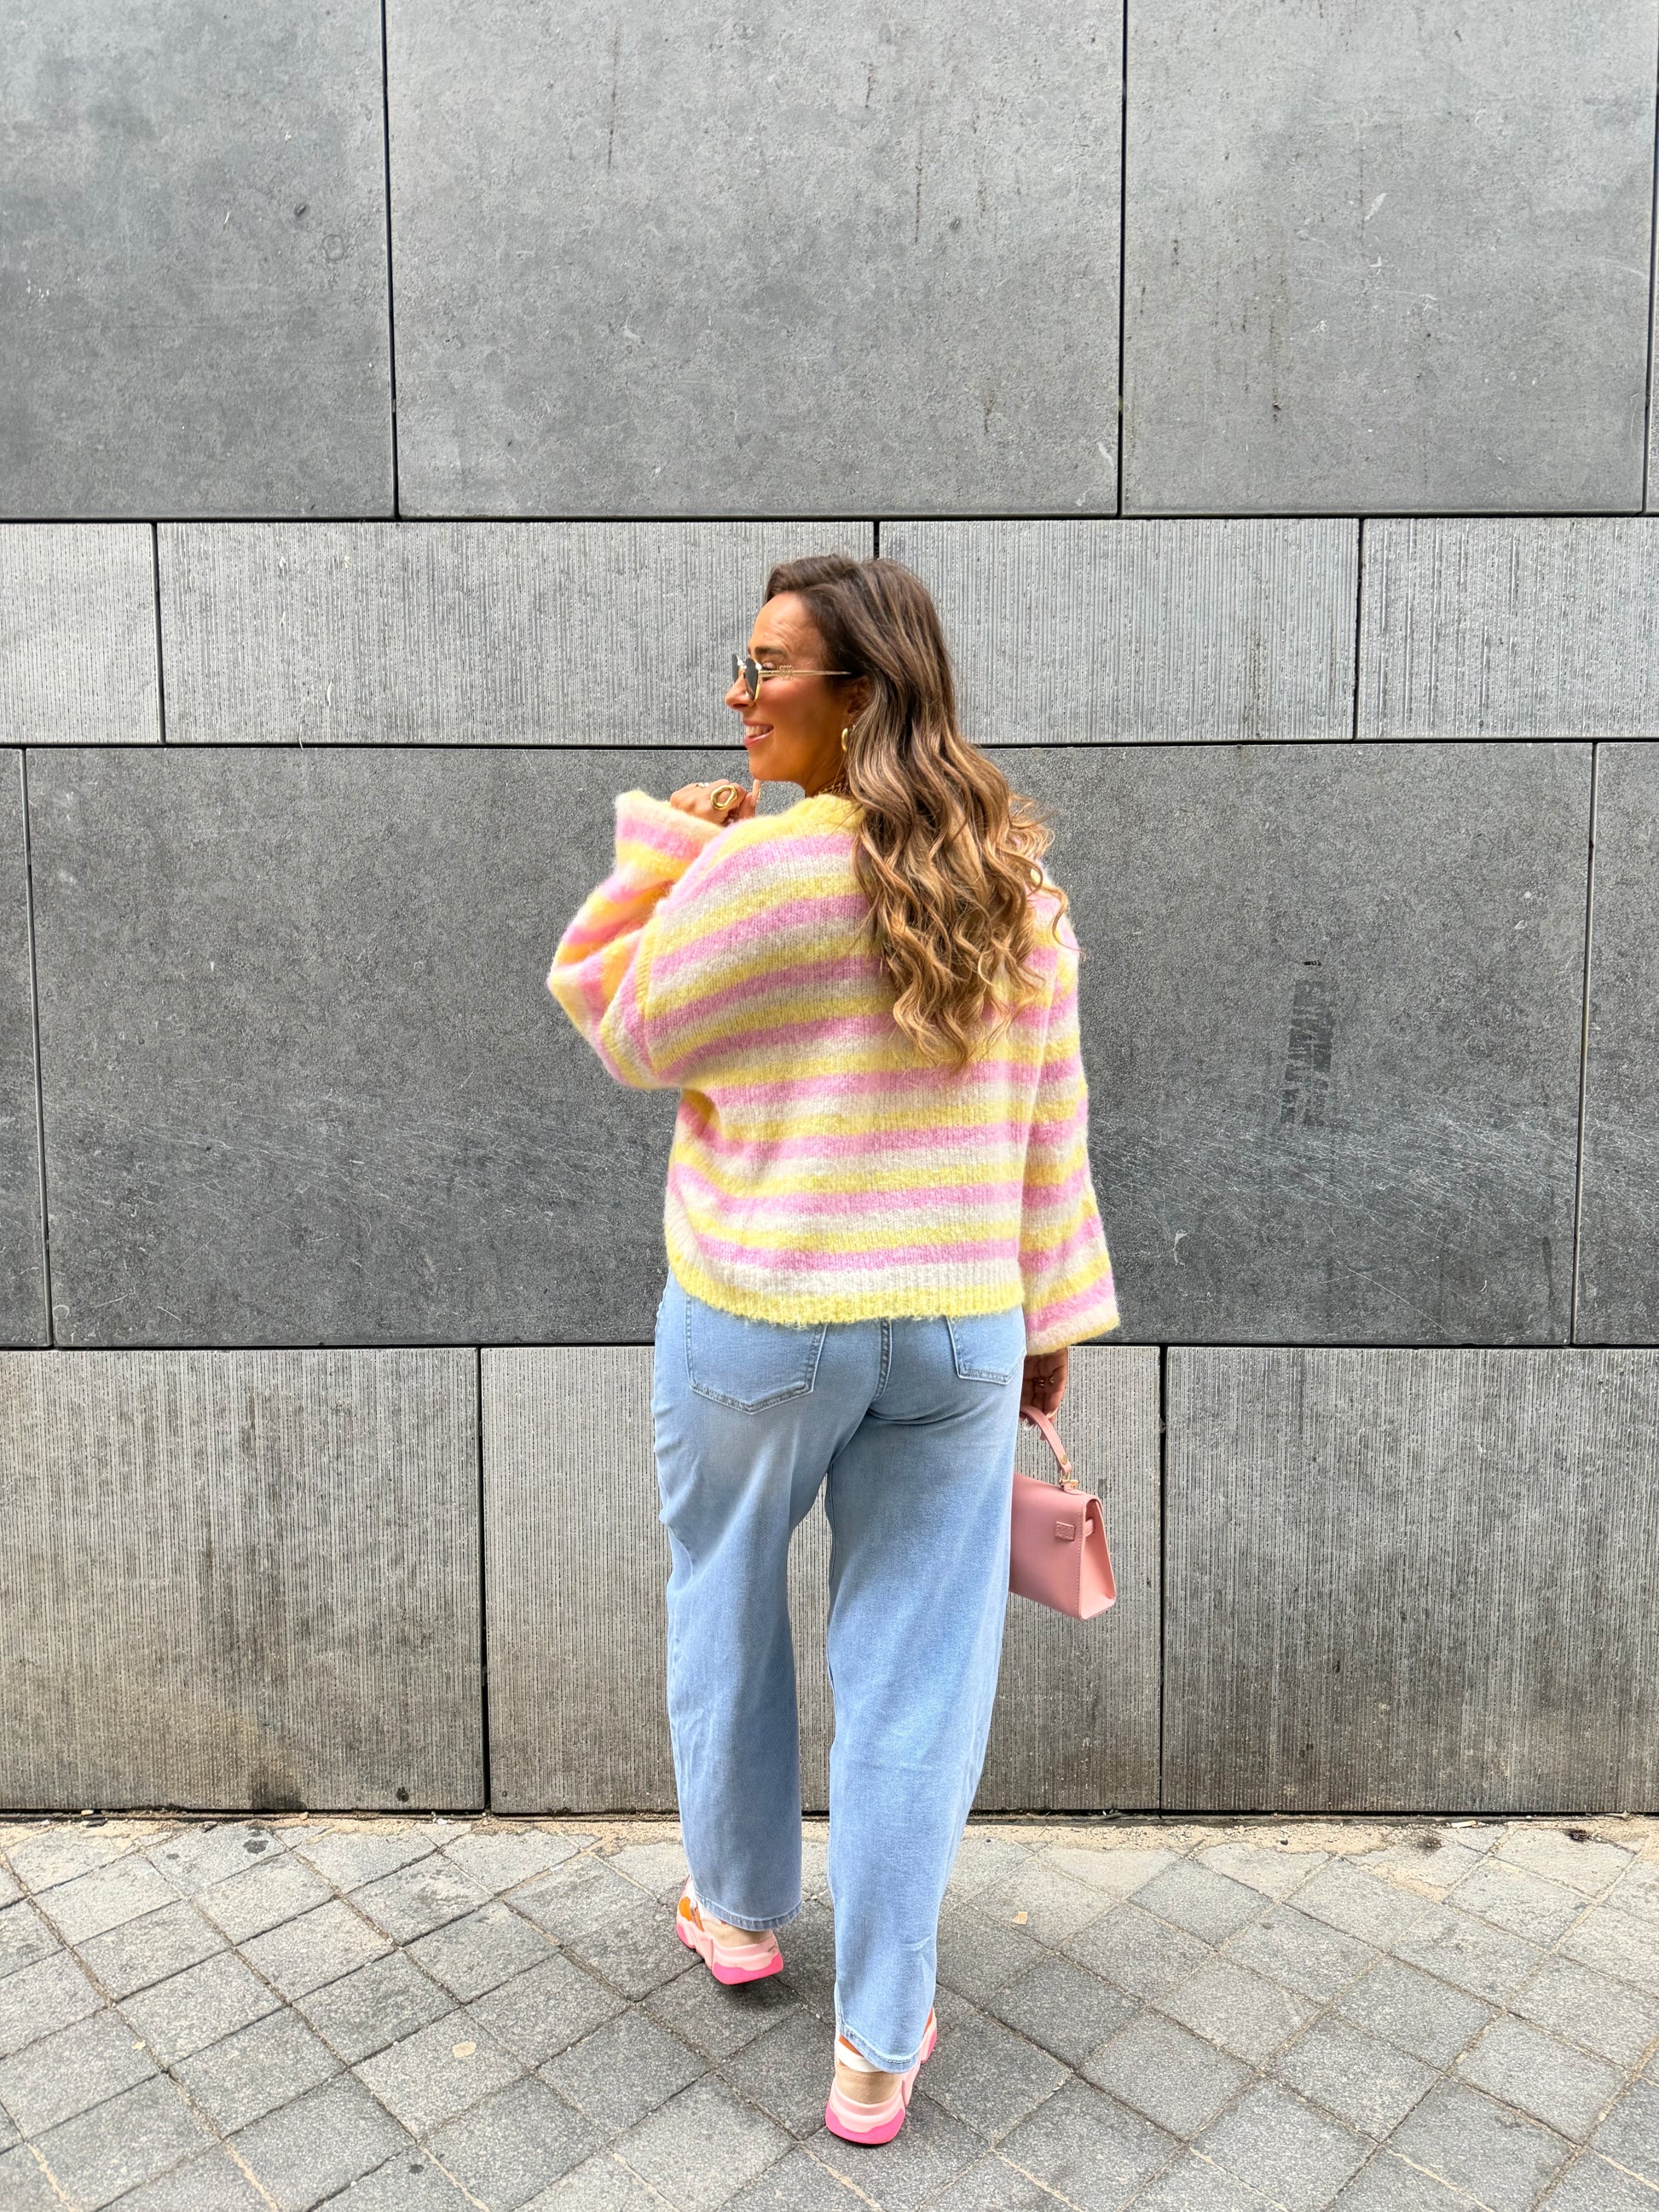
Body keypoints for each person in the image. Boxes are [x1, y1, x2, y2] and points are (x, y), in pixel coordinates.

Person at [547, 552, 1119, 2146]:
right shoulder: (1013, 884)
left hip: (764, 1314)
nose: (735, 697)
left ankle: (737, 1911)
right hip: (957, 1325)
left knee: (725, 1599)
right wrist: (1048, 1317)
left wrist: (673, 846)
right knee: (917, 1675)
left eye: (764, 669)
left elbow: (619, 1018)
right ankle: (876, 2041)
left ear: (857, 693)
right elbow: (1050, 1119)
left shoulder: (762, 874)